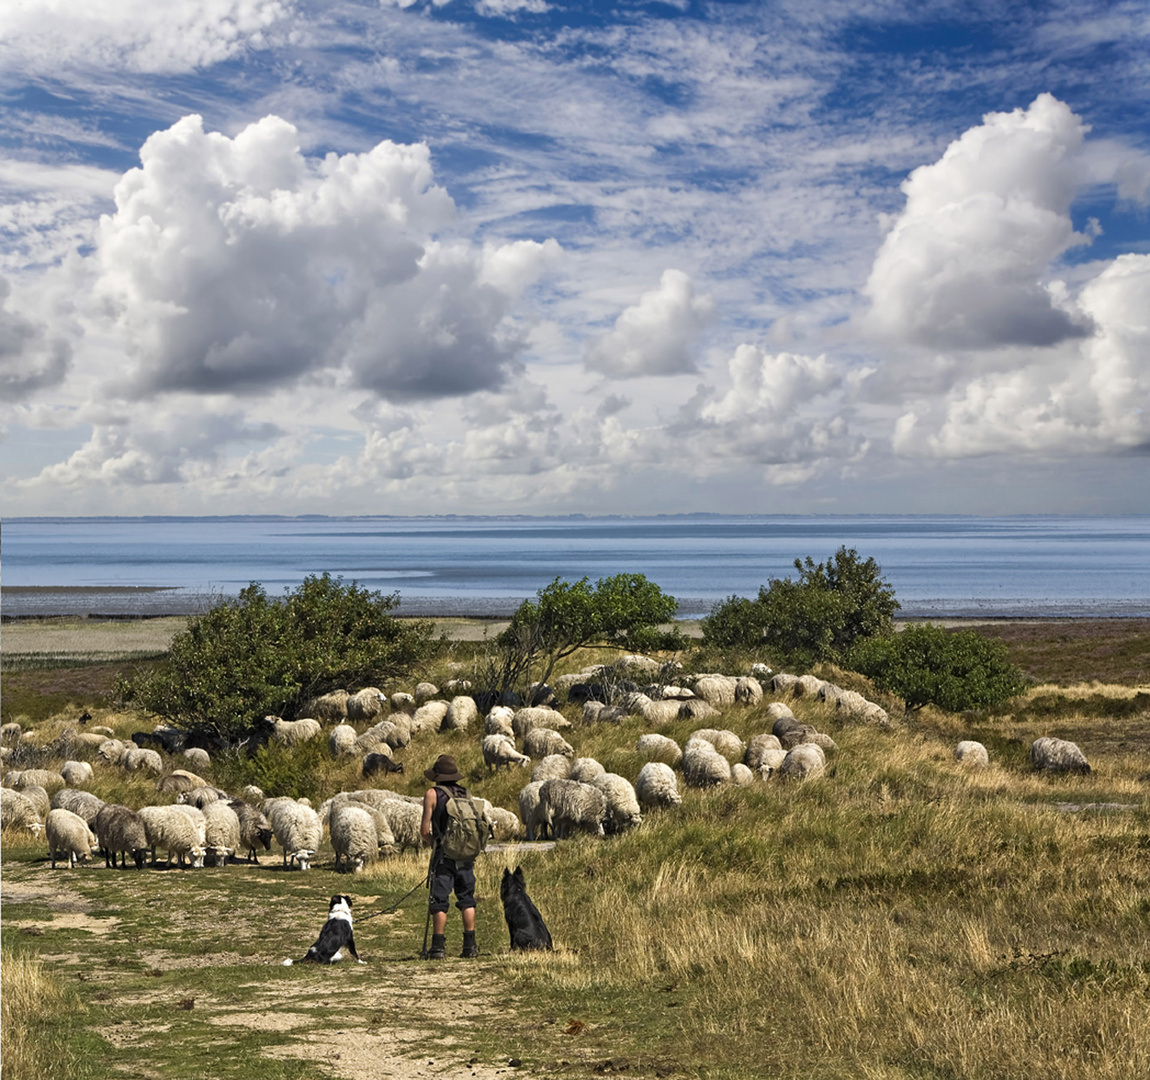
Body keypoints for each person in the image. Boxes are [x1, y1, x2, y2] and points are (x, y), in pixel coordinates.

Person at [420, 754, 478, 959]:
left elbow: (424, 830)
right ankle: (470, 946)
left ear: (437, 776)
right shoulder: (466, 794)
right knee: (467, 899)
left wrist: (435, 844)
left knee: (439, 901)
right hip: (466, 855)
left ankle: (438, 948)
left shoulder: (432, 794)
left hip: (444, 857)